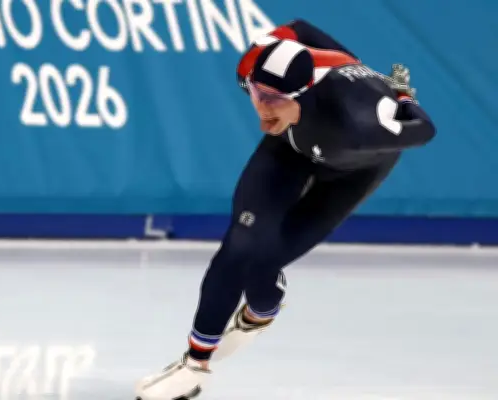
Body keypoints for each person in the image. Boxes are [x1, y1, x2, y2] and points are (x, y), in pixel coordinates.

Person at [134, 19, 436, 400]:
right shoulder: (253, 70)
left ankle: (263, 309)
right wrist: (347, 62)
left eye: (275, 101)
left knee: (262, 266)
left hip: (352, 170)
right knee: (239, 246)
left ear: (305, 94)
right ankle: (194, 365)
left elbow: (425, 129)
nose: (263, 111)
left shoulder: (361, 124)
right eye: (258, 95)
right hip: (291, 149)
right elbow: (299, 27)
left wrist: (402, 96)